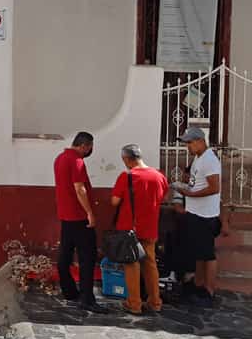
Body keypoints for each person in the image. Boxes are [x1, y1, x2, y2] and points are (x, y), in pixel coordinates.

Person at [110, 144, 169, 315]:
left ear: (126, 159)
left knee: (132, 264)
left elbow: (114, 201)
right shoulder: (159, 176)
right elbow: (163, 197)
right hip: (150, 227)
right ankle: (155, 301)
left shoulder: (126, 176)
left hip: (130, 229)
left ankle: (134, 303)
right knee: (150, 263)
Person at [54, 131, 104, 312]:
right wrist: (89, 212)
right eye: (90, 147)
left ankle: (69, 291)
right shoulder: (77, 161)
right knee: (87, 258)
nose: (90, 150)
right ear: (84, 145)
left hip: (66, 216)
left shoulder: (60, 158)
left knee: (65, 255)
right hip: (79, 217)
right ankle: (87, 299)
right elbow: (79, 189)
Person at [171, 127, 221, 306]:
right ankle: (198, 284)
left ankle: (209, 290)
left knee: (208, 255)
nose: (188, 147)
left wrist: (190, 194)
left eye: (190, 143)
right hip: (195, 213)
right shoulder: (198, 158)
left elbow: (214, 188)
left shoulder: (209, 160)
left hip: (205, 215)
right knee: (199, 254)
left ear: (200, 141)